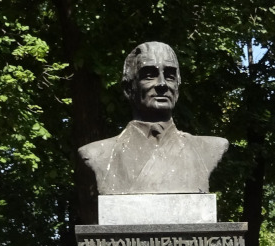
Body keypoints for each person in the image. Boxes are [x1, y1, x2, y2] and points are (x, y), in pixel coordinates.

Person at [79, 42, 229, 195]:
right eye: (149, 75)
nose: (162, 84)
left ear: (177, 88)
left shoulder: (208, 149)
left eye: (170, 76)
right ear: (128, 89)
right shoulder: (98, 154)